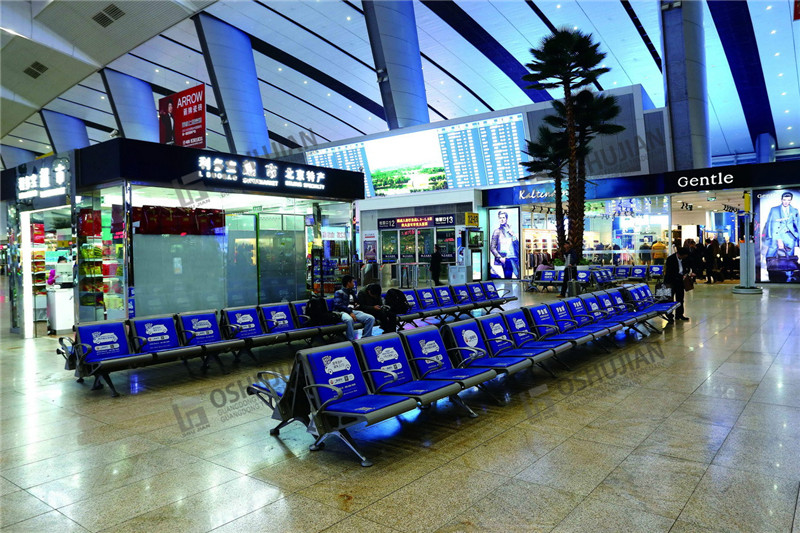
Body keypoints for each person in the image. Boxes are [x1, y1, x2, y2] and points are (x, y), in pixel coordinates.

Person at [332, 275, 374, 341]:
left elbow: (356, 302)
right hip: (341, 312)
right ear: (348, 283)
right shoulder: (339, 292)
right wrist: (350, 312)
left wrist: (357, 305)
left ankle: (366, 338)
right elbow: (338, 305)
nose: (354, 284)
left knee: (370, 318)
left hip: (352, 311)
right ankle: (351, 340)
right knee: (349, 320)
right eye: (353, 282)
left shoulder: (351, 292)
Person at [764, 192, 800, 258]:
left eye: (788, 200)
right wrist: (775, 238)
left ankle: (788, 267)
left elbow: (798, 224)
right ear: (781, 199)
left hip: (790, 236)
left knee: (790, 256)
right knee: (771, 253)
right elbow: (770, 224)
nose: (786, 202)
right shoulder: (774, 210)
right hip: (777, 234)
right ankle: (770, 266)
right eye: (784, 200)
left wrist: (798, 237)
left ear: (791, 200)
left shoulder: (795, 210)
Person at [664, 246, 693, 322]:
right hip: (671, 282)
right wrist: (680, 276)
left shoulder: (685, 259)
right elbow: (670, 272)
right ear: (679, 254)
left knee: (680, 298)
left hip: (680, 281)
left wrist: (687, 273)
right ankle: (670, 316)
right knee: (670, 299)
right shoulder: (670, 259)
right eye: (684, 256)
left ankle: (679, 315)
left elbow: (686, 267)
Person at [489, 210, 519, 279]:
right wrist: (500, 257)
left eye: (503, 218)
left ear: (506, 219)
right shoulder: (497, 231)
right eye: (500, 218)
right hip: (505, 258)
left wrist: (513, 235)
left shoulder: (511, 230)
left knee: (518, 276)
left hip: (514, 257)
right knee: (508, 277)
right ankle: (509, 289)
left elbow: (517, 244)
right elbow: (492, 247)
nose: (501, 220)